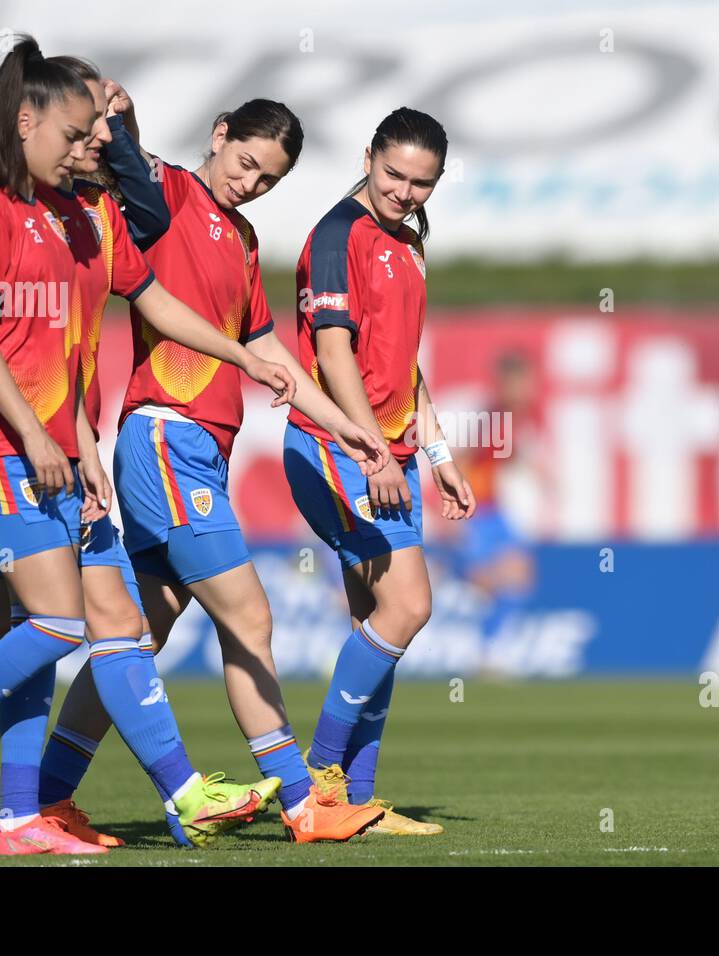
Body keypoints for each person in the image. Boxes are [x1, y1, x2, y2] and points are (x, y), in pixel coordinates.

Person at [0, 38, 289, 856]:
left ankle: (41, 813)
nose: (88, 146)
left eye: (93, 134)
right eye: (76, 134)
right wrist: (39, 433)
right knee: (21, 631)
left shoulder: (77, 215)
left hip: (63, 455)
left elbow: (88, 334)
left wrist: (237, 358)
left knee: (104, 622)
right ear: (28, 120)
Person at [44, 84, 390, 842]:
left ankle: (48, 798)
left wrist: (351, 432)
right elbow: (126, 156)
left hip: (196, 453)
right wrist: (123, 113)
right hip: (166, 439)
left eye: (268, 179)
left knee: (140, 633)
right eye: (245, 162)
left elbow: (272, 358)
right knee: (251, 616)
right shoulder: (165, 193)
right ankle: (304, 803)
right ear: (220, 133)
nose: (250, 183)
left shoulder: (241, 238)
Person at [284, 108, 476, 835]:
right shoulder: (338, 238)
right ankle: (320, 778)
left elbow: (402, 365)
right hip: (335, 446)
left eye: (421, 183)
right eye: (393, 174)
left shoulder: (408, 244)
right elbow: (335, 359)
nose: (404, 192)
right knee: (410, 608)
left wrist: (438, 455)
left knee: (379, 620)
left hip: (388, 452)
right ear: (367, 158)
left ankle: (356, 798)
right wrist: (369, 449)